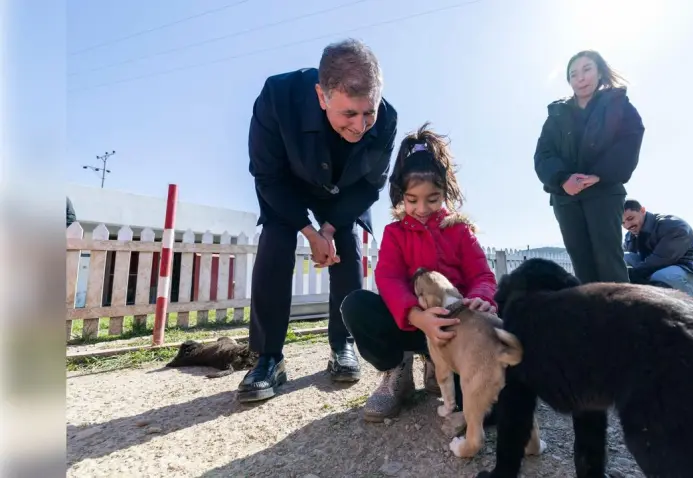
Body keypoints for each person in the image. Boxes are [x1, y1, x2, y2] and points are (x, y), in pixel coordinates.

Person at [239, 39, 398, 403]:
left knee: (347, 245)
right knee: (275, 241)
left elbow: (372, 185)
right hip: (288, 186)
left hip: (346, 193)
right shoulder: (277, 97)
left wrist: (327, 228)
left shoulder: (386, 119)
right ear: (321, 95)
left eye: (368, 113)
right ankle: (268, 357)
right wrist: (307, 229)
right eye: (349, 115)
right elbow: (266, 176)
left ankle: (343, 345)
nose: (360, 127)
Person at [340, 123, 497, 422]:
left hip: (455, 330)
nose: (422, 208)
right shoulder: (395, 233)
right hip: (412, 325)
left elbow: (482, 276)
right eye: (412, 200)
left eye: (432, 199)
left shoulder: (460, 230)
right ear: (401, 195)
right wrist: (417, 317)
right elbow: (388, 278)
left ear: (444, 193)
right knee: (356, 305)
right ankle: (396, 370)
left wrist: (481, 297)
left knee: (485, 413)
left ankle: (439, 364)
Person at [533, 50, 645, 285]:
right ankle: (591, 319)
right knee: (581, 262)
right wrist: (563, 179)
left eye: (587, 70)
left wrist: (599, 174)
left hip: (604, 192)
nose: (580, 78)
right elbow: (543, 154)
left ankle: (622, 318)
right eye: (573, 74)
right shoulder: (557, 113)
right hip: (566, 197)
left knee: (609, 260)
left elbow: (630, 139)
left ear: (600, 72)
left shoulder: (618, 104)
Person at [621, 199, 693, 300]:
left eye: (630, 218)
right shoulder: (631, 236)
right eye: (622, 222)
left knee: (664, 276)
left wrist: (632, 274)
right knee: (623, 258)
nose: (627, 226)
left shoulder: (672, 225)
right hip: (660, 270)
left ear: (642, 210)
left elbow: (662, 259)